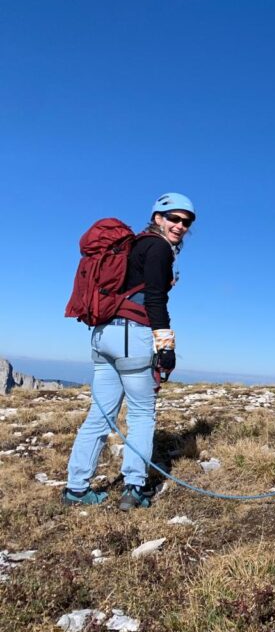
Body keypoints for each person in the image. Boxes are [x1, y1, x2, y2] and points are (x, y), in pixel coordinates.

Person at [63, 193, 195, 511]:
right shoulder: (159, 248)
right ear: (158, 217)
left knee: (100, 415)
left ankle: (76, 489)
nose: (180, 226)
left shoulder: (134, 244)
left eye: (187, 222)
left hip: (103, 335)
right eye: (174, 218)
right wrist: (165, 346)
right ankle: (134, 488)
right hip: (130, 334)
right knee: (141, 415)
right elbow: (154, 299)